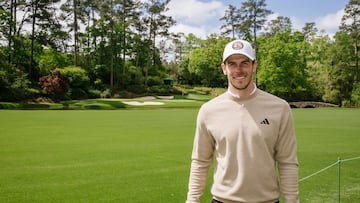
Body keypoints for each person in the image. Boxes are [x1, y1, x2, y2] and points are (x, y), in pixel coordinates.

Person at [185, 39, 299, 203]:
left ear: (254, 65)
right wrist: (192, 201)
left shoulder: (279, 107)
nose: (238, 69)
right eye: (232, 64)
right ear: (224, 68)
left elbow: (287, 162)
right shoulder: (208, 111)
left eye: (244, 63)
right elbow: (200, 161)